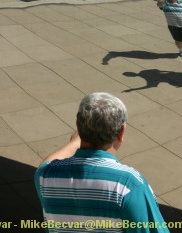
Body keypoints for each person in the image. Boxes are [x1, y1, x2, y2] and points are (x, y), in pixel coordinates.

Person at [35, 92, 169, 233]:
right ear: (121, 132)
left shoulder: (46, 176)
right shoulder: (128, 184)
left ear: (78, 127)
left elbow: (46, 164)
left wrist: (76, 141)